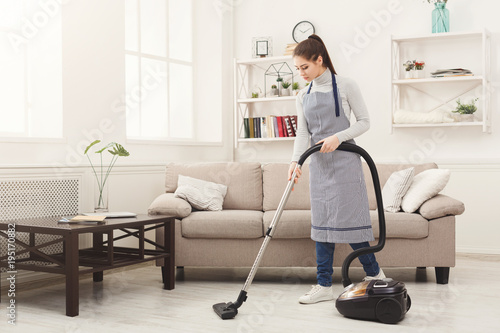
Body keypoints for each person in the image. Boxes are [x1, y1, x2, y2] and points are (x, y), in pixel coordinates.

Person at [288, 34, 385, 304]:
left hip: (345, 163)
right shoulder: (302, 95)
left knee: (351, 223)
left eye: (304, 67)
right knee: (322, 226)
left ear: (320, 60)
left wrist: (338, 137)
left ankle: (375, 274)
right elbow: (302, 134)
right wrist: (295, 162)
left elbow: (364, 122)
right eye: (297, 69)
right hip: (319, 167)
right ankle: (323, 285)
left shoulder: (345, 85)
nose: (301, 73)